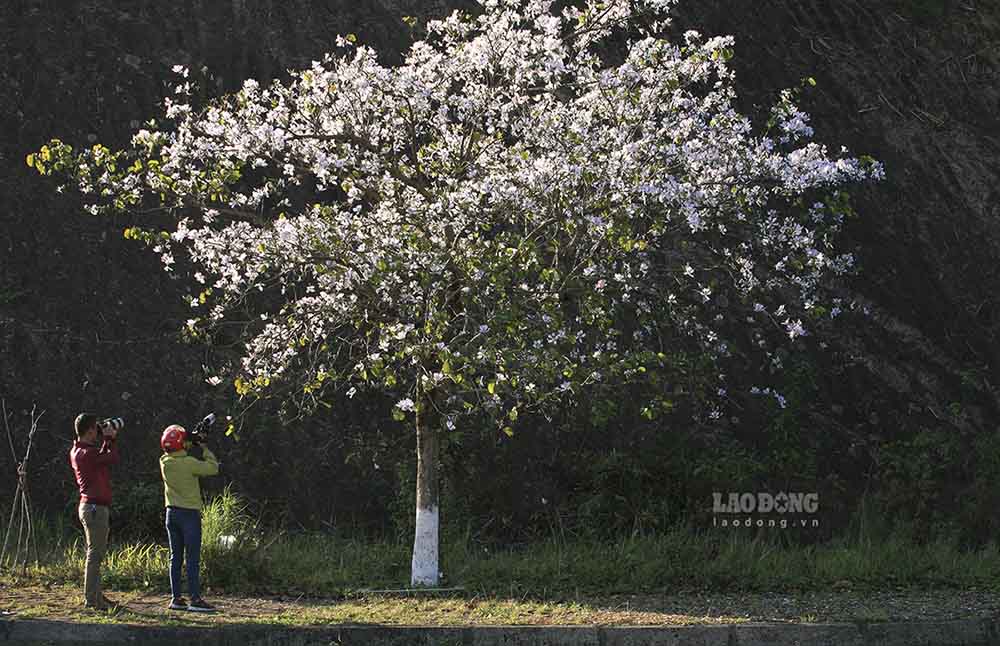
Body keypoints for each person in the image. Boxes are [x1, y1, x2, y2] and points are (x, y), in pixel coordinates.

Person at [159, 423, 219, 612]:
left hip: (171, 514)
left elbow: (177, 449)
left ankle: (176, 598)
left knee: (175, 557)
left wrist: (189, 439)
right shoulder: (189, 463)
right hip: (189, 515)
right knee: (192, 558)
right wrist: (204, 447)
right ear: (182, 444)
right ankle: (195, 599)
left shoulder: (164, 461)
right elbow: (212, 468)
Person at [69, 413, 119, 610]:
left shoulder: (78, 450)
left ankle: (97, 596)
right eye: (95, 429)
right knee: (95, 555)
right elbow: (112, 458)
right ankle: (92, 599)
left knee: (96, 554)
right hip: (95, 508)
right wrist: (110, 438)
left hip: (90, 507)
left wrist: (106, 439)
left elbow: (103, 458)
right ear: (90, 430)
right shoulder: (87, 453)